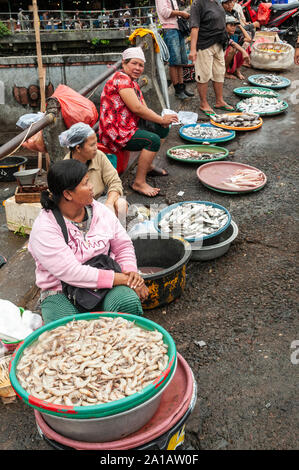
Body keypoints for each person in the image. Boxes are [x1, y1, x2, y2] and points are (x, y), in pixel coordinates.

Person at [28, 159, 148, 325]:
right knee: (66, 330)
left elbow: (123, 246)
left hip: (106, 285)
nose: (91, 186)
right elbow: (72, 272)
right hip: (61, 291)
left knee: (126, 303)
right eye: (85, 183)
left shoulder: (101, 212)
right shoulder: (45, 228)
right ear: (68, 194)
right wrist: (123, 279)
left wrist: (131, 273)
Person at [98, 46, 178, 197]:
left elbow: (143, 108)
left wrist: (161, 121)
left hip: (128, 125)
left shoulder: (132, 82)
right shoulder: (121, 79)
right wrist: (161, 118)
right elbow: (137, 109)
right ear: (124, 64)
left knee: (162, 129)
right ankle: (139, 182)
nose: (137, 68)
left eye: (141, 65)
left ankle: (147, 166)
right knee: (152, 140)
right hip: (114, 131)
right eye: (134, 63)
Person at [59, 123, 128, 224]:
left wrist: (109, 203)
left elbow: (115, 181)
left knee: (121, 204)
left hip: (99, 201)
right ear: (78, 148)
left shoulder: (98, 155)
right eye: (92, 145)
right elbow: (67, 202)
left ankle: (119, 235)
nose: (96, 147)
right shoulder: (66, 168)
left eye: (96, 143)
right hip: (79, 208)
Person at [189, 0, 234, 116]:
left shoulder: (217, 2)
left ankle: (219, 101)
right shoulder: (197, 4)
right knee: (204, 74)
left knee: (219, 72)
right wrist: (193, 49)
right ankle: (203, 103)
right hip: (204, 44)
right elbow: (194, 27)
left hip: (219, 43)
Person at [155, 0, 194, 99]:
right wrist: (181, 13)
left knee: (181, 61)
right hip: (169, 29)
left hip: (177, 29)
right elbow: (165, 12)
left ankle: (182, 86)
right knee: (174, 61)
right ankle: (177, 89)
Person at [224, 15, 251, 80]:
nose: (233, 28)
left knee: (245, 44)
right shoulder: (223, 34)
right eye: (231, 25)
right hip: (220, 59)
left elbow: (248, 39)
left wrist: (239, 26)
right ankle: (224, 72)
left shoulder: (235, 36)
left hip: (231, 58)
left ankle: (237, 70)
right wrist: (243, 51)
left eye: (234, 26)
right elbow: (233, 44)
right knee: (232, 49)